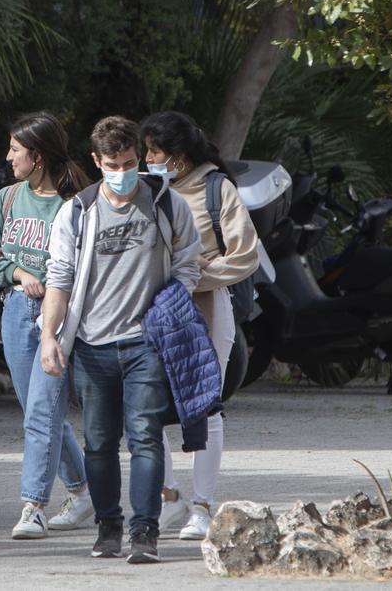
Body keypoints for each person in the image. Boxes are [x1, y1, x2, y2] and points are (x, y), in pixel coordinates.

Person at [38, 115, 201, 564]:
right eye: (112, 163)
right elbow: (59, 278)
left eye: (130, 161)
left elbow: (189, 260)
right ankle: (107, 526)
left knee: (145, 436)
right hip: (91, 344)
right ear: (96, 161)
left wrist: (171, 304)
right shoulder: (78, 211)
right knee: (98, 441)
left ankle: (144, 530)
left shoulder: (166, 203)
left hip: (145, 342)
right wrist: (49, 337)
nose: (123, 171)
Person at [0, 112, 94, 539]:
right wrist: (18, 275)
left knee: (42, 413)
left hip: (58, 316)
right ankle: (82, 493)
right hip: (13, 312)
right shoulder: (6, 198)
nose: (8, 157)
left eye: (15, 150)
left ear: (37, 156)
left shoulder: (76, 204)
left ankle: (33, 506)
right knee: (41, 413)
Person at [141, 111, 259, 540]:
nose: (149, 158)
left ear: (181, 154)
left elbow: (245, 254)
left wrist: (193, 275)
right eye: (147, 150)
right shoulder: (144, 190)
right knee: (147, 407)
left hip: (206, 309)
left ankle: (202, 507)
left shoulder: (216, 188)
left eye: (157, 151)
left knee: (205, 404)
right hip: (153, 313)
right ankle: (168, 499)